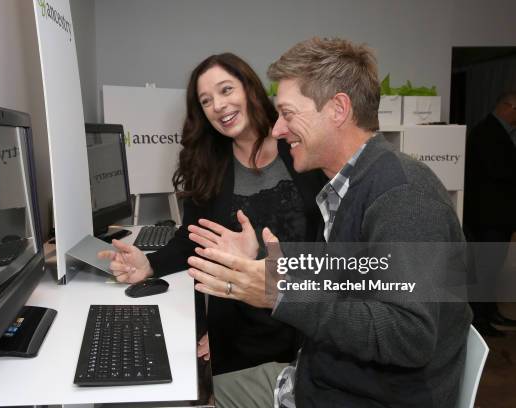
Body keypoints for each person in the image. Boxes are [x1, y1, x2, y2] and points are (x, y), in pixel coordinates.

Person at [187, 37, 472, 407]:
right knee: (194, 389)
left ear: (337, 109)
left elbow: (409, 335)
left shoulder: (404, 196)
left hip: (360, 397)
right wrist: (266, 257)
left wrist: (281, 294)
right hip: (323, 377)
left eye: (288, 114)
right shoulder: (355, 184)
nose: (277, 129)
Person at [98, 53, 326, 375]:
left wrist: (259, 259)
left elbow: (330, 240)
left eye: (226, 90)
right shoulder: (207, 163)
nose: (218, 105)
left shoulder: (300, 148)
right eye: (206, 101)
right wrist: (150, 264)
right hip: (238, 329)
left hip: (305, 319)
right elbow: (193, 239)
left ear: (249, 89)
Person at [464, 91, 516, 336]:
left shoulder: (496, 132)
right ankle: (479, 320)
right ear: (509, 107)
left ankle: (489, 311)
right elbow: (497, 174)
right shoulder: (486, 133)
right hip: (488, 217)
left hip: (496, 216)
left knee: (491, 268)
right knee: (485, 268)